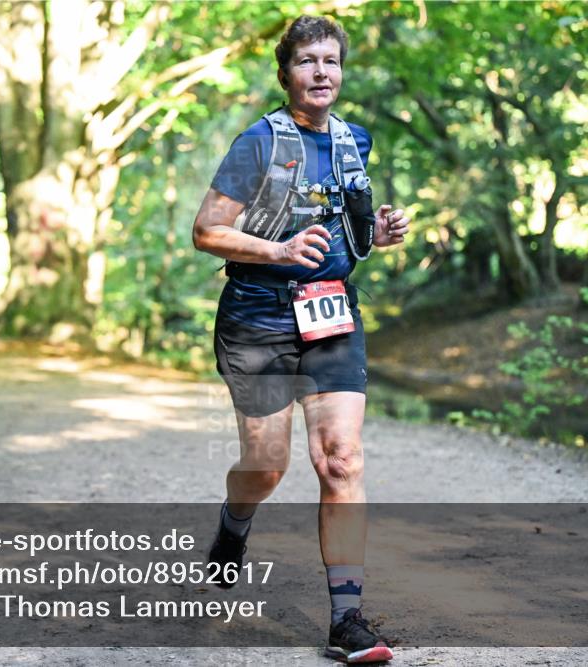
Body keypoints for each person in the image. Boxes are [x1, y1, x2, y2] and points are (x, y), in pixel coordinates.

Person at [191, 16, 410, 665]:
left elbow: (346, 229)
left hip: (331, 312)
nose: (321, 71)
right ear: (286, 73)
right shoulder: (258, 142)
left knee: (341, 459)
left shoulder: (353, 140)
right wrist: (279, 250)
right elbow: (207, 231)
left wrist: (379, 233)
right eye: (308, 60)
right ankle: (234, 525)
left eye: (331, 61)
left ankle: (347, 619)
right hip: (258, 314)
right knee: (266, 465)